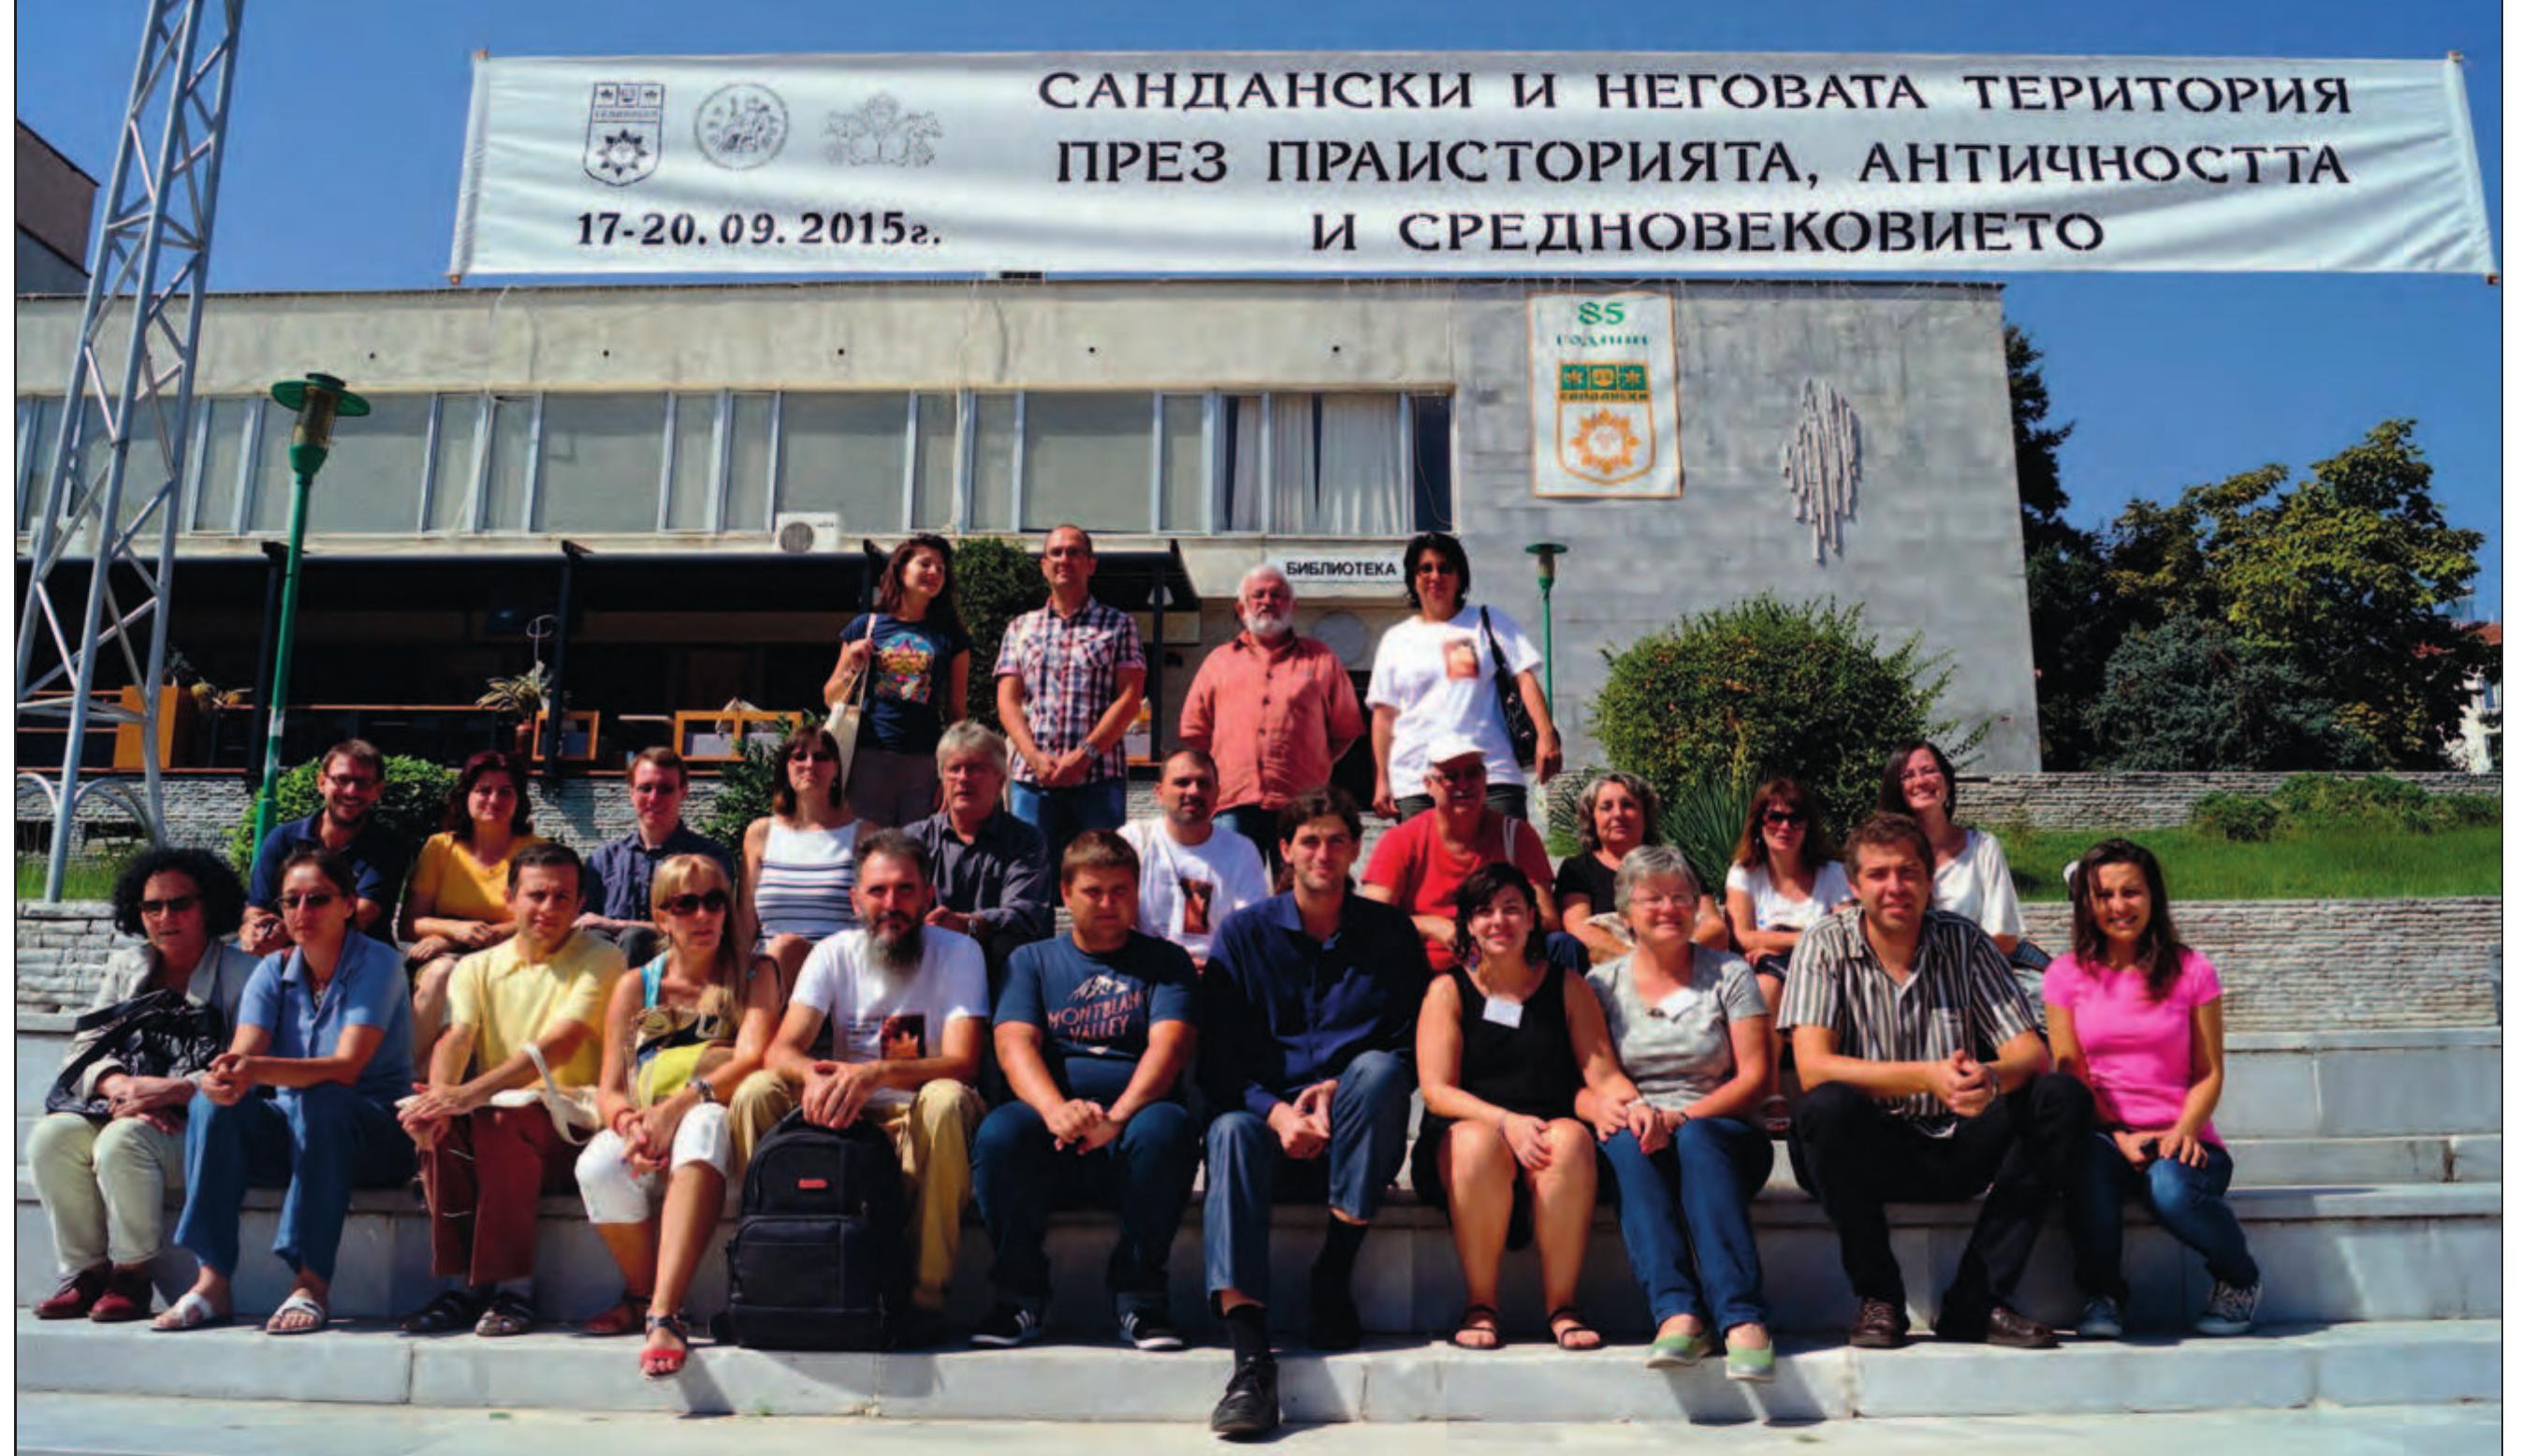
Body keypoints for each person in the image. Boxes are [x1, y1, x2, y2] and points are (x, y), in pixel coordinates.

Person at [1778, 813, 2092, 1352]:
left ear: (1929, 880)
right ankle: (1879, 1298)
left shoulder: (1964, 941)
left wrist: (1990, 1077)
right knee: (1825, 1107)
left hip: (1956, 1141)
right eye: (1878, 874)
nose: (1895, 887)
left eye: (1908, 872)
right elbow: (1814, 1067)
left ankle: (1978, 1299)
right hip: (1864, 1152)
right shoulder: (1824, 944)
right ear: (1854, 885)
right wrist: (1928, 1075)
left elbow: (2028, 1052)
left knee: (2061, 1098)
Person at [1196, 788, 1427, 1439]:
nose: (1323, 853)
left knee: (1377, 1072)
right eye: (1309, 841)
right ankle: (1250, 1361)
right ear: (1286, 851)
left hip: (1355, 1133)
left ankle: (1333, 1272)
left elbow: (1410, 1048)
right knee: (1228, 1131)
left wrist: (1334, 1090)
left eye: (1336, 840)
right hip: (1267, 1133)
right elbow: (1216, 1061)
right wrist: (1275, 1114)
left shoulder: (1390, 934)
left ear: (1355, 850)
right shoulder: (1244, 934)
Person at [730, 829, 989, 1331]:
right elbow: (781, 1049)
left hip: (918, 1113)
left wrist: (876, 1074)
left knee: (947, 1099)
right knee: (755, 1092)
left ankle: (925, 1293)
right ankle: (771, 1263)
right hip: (844, 1116)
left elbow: (964, 1061)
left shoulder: (960, 953)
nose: (891, 904)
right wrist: (814, 1076)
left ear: (928, 895)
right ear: (855, 900)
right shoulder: (833, 952)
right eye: (877, 891)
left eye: (905, 890)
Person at [153, 851, 418, 1334]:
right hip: (297, 1131)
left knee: (322, 1098)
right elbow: (245, 1053)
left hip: (374, 1135)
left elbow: (346, 1067)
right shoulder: (271, 971)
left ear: (348, 905)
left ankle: (310, 1284)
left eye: (317, 899)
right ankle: (212, 1281)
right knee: (213, 1103)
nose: (301, 912)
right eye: (290, 901)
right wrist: (225, 1077)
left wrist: (254, 1070)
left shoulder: (378, 963)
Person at [969, 832, 1200, 1351]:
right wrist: (1055, 1110)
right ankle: (1019, 1296)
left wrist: (1116, 1117)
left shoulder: (1166, 962)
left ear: (1137, 892)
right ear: (1066, 894)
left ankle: (1141, 1298)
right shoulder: (1031, 961)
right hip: (1051, 1126)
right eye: (1093, 891)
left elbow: (1169, 1048)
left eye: (1121, 891)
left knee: (1169, 1128)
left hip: (1132, 1124)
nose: (1108, 903)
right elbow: (1013, 1045)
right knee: (1000, 1133)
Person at [397, 842, 626, 1339]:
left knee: (497, 1118)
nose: (549, 908)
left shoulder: (602, 957)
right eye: (536, 895)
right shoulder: (476, 967)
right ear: (510, 898)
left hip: (573, 1126)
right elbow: (457, 1037)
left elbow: (560, 1044)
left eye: (562, 897)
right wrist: (439, 1101)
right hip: (498, 1115)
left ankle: (513, 1291)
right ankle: (462, 1287)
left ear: (580, 903)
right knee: (445, 1124)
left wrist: (466, 1095)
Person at [30, 848, 258, 1323]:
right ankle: (86, 1273)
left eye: (180, 904)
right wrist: (121, 1087)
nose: (165, 917)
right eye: (152, 906)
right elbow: (85, 1046)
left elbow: (247, 1066)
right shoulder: (127, 966)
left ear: (210, 906)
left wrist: (168, 1091)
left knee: (122, 1141)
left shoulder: (244, 974)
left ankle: (132, 1276)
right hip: (124, 1105)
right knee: (50, 1137)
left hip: (200, 1127)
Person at [2047, 839, 2263, 1340]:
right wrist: (2118, 1134)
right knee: (2086, 1168)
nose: (2118, 906)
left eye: (2131, 892)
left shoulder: (2193, 970)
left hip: (2184, 1139)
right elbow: (2072, 1072)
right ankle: (2102, 1295)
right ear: (2086, 903)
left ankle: (2238, 1277)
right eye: (2104, 895)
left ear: (2153, 897)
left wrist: (2183, 1131)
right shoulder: (2065, 975)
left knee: (2171, 1191)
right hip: (2107, 1136)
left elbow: (2209, 1072)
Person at [576, 853, 780, 1377]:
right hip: (650, 1122)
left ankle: (664, 1313)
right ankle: (643, 1294)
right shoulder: (637, 985)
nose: (703, 915)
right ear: (661, 915)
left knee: (703, 1125)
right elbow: (610, 1087)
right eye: (685, 904)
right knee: (597, 1167)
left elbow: (752, 1058)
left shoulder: (755, 973)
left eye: (715, 900)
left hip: (715, 1117)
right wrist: (631, 1125)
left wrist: (674, 1110)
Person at [1579, 847, 1778, 1381]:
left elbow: (1756, 1078)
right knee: (1624, 1141)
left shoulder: (1729, 973)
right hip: (1641, 1131)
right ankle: (1678, 1314)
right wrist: (1628, 1112)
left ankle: (1742, 1317)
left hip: (1724, 1134)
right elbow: (1588, 1077)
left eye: (1681, 898)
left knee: (1698, 1140)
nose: (1669, 908)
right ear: (1626, 914)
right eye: (1653, 899)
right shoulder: (1601, 986)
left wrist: (1682, 1118)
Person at [1412, 865, 1606, 1355]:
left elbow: (1601, 1074)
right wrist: (1506, 1123)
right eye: (1484, 911)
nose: (1499, 921)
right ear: (1468, 924)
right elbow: (1436, 1092)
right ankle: (1481, 1304)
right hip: (1465, 1140)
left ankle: (1563, 1306)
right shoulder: (1446, 991)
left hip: (1546, 1132)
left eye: (1512, 909)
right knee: (1476, 1143)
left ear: (1532, 919)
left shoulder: (1567, 986)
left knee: (1571, 1139)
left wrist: (1632, 1105)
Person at [1366, 531, 1562, 823]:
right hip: (1418, 780)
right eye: (1425, 569)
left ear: (1460, 577)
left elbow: (1524, 678)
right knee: (1425, 855)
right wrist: (1383, 779)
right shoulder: (1397, 640)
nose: (1435, 576)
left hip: (1492, 775)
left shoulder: (1488, 621)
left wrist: (1546, 736)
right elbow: (1384, 716)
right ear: (1413, 578)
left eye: (1445, 568)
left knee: (1504, 852)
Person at [1177, 563, 1365, 857]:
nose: (1267, 602)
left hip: (1301, 804)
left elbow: (1346, 728)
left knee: (1296, 885)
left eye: (1277, 595)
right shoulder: (1218, 661)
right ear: (1241, 608)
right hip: (1232, 803)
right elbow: (1195, 732)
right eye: (1258, 595)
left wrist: (1313, 761)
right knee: (1233, 884)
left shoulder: (1321, 659)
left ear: (1292, 606)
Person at [995, 523, 1146, 862]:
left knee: (1100, 873)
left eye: (1074, 552)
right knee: (1030, 875)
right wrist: (1034, 757)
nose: (1065, 559)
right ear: (1044, 565)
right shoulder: (1020, 628)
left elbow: (1129, 699)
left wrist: (1084, 756)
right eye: (1056, 553)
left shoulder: (1120, 625)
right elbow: (1007, 701)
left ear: (1091, 564)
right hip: (1032, 781)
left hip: (1098, 779)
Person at [1361, 734, 1559, 972]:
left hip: (1503, 966)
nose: (1464, 785)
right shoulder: (1401, 840)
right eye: (1451, 777)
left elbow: (1548, 918)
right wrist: (1431, 926)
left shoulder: (1516, 835)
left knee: (1561, 946)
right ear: (1429, 785)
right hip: (1423, 971)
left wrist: (1493, 926)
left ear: (1485, 778)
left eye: (1473, 773)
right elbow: (1371, 921)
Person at [401, 750, 546, 1060]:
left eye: (505, 792)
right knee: (441, 972)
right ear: (466, 796)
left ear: (519, 799)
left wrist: (482, 935)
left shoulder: (537, 852)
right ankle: (407, 1072)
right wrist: (455, 931)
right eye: (484, 790)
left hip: (512, 954)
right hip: (447, 957)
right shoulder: (440, 848)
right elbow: (410, 924)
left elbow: (546, 919)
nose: (494, 800)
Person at [824, 533, 971, 828]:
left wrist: (953, 771)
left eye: (941, 568)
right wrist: (852, 665)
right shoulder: (865, 626)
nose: (934, 572)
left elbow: (957, 711)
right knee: (868, 849)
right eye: (925, 564)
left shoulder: (951, 635)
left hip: (925, 762)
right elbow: (831, 697)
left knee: (917, 848)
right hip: (869, 757)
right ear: (901, 570)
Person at [906, 721, 1056, 982]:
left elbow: (1024, 915)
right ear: (942, 779)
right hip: (928, 971)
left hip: (1002, 975)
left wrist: (969, 925)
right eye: (954, 769)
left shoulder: (1026, 841)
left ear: (1000, 781)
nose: (963, 778)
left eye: (976, 769)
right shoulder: (914, 839)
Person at [241, 738, 410, 955]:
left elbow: (361, 916)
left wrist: (288, 937)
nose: (351, 791)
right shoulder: (283, 839)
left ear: (378, 790)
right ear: (322, 782)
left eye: (363, 783)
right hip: (280, 952)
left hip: (360, 956)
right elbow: (257, 908)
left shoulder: (389, 845)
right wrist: (255, 932)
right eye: (341, 780)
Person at [577, 747, 738, 968]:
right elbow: (584, 924)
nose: (654, 798)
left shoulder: (708, 860)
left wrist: (618, 924)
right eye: (645, 788)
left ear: (684, 792)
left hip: (681, 971)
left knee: (635, 938)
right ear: (631, 792)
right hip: (606, 972)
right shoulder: (602, 860)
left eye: (665, 789)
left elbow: (713, 928)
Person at [1118, 749, 1272, 969]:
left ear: (1218, 793)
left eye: (1204, 784)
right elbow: (1115, 921)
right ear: (1159, 792)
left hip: (1217, 971)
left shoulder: (1241, 851)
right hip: (1147, 969)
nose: (1194, 791)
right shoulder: (1134, 841)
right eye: (1182, 783)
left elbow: (1250, 930)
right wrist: (1168, 964)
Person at [1554, 771, 1727, 964]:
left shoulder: (1677, 865)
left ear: (1645, 815)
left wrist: (1673, 958)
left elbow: (1715, 927)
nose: (1618, 814)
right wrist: (1640, 964)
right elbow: (1579, 930)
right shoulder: (1577, 870)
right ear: (1592, 818)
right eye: (1606, 807)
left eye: (1628, 805)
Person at [742, 724, 862, 1002]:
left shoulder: (863, 835)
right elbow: (745, 925)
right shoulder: (760, 834)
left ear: (836, 769)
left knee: (787, 946)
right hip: (767, 981)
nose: (810, 765)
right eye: (799, 757)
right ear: (786, 767)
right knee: (781, 949)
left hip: (837, 979)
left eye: (821, 757)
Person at [1877, 741, 2023, 955]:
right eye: (1908, 776)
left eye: (1929, 771)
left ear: (1946, 782)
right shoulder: (1886, 855)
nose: (1920, 781)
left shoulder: (1983, 848)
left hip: (1974, 970)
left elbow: (2005, 937)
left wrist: (1954, 968)